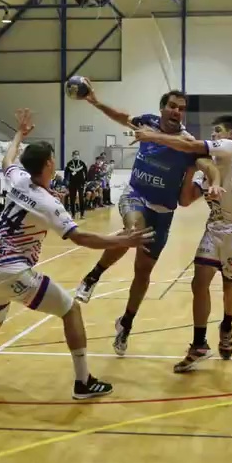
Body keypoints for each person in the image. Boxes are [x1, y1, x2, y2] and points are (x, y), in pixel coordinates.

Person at [0, 109, 153, 399]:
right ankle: (83, 382)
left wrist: (19, 134)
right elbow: (80, 237)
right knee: (70, 309)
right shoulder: (47, 203)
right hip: (11, 271)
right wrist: (122, 241)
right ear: (50, 163)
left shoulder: (17, 179)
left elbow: (7, 160)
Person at [75, 86, 205, 357]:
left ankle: (126, 323)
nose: (176, 111)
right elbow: (123, 118)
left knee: (143, 272)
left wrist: (214, 181)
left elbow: (208, 162)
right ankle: (92, 276)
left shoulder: (187, 142)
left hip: (163, 212)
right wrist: (96, 102)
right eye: (172, 105)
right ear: (162, 108)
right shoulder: (147, 121)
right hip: (136, 194)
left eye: (181, 108)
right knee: (133, 230)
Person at [134, 115, 232, 372]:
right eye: (212, 131)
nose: (213, 135)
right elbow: (185, 200)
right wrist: (190, 169)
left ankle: (227, 325)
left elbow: (190, 145)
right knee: (199, 283)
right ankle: (199, 344)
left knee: (230, 287)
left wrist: (152, 136)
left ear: (231, 135)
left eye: (217, 131)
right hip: (216, 228)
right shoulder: (208, 167)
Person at [63, 150, 88, 217]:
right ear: (72, 156)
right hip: (72, 183)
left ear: (79, 155)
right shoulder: (69, 163)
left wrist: (86, 181)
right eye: (74, 155)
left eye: (77, 155)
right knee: (72, 199)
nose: (76, 156)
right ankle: (73, 214)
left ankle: (82, 214)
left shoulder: (82, 163)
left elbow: (86, 172)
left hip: (80, 183)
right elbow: (66, 173)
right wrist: (65, 181)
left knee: (81, 198)